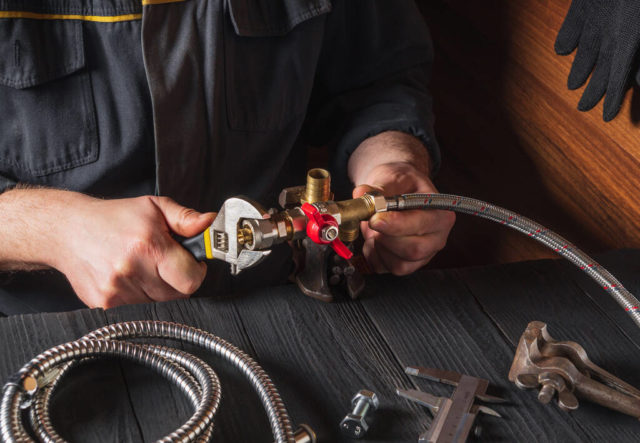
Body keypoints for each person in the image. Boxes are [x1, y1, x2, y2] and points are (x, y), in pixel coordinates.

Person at [0, 0, 455, 314]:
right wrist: (56, 229)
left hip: (279, 302)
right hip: (48, 327)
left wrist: (394, 163)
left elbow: (378, 84)